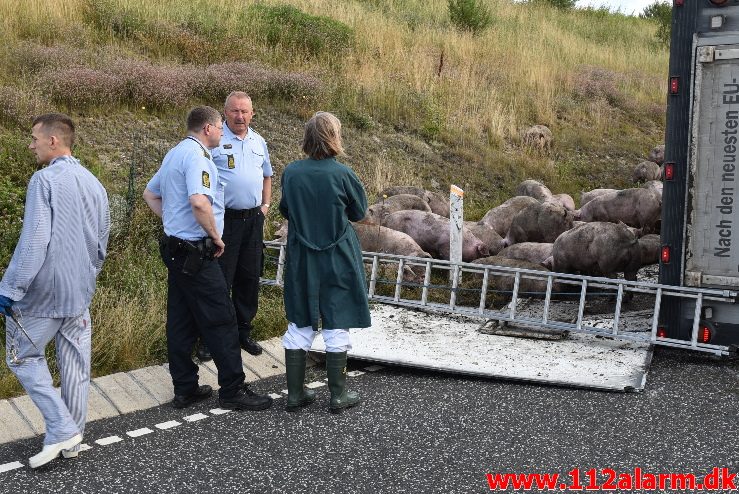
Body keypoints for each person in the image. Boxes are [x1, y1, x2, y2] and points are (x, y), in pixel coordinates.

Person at [142, 106, 272, 412]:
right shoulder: (198, 158)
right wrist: (215, 236)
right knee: (222, 318)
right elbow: (199, 202)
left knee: (181, 320)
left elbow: (151, 194)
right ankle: (233, 388)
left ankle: (184, 388)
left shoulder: (174, 153)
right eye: (217, 128)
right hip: (196, 252)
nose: (220, 133)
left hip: (176, 249)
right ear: (209, 129)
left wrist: (174, 224)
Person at [0, 113, 110, 468]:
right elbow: (102, 242)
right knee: (75, 363)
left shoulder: (43, 181)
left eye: (34, 138)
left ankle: (61, 427)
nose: (30, 145)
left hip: (44, 294)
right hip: (79, 292)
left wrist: (11, 288)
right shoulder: (94, 182)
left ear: (53, 140)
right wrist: (87, 275)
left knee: (22, 356)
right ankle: (72, 439)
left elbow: (34, 241)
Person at [279, 111, 371, 414]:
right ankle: (337, 394)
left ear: (307, 137)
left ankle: (295, 394)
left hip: (302, 255)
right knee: (337, 316)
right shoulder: (343, 174)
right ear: (334, 137)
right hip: (338, 255)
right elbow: (358, 213)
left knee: (301, 317)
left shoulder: (291, 172)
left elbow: (285, 210)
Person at [197, 92, 271, 361]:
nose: (240, 116)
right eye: (234, 111)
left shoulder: (258, 141)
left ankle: (243, 332)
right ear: (225, 113)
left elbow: (267, 175)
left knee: (249, 279)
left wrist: (265, 207)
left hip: (252, 220)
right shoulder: (215, 140)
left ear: (252, 113)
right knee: (219, 281)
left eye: (245, 111)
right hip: (224, 221)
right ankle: (209, 339)